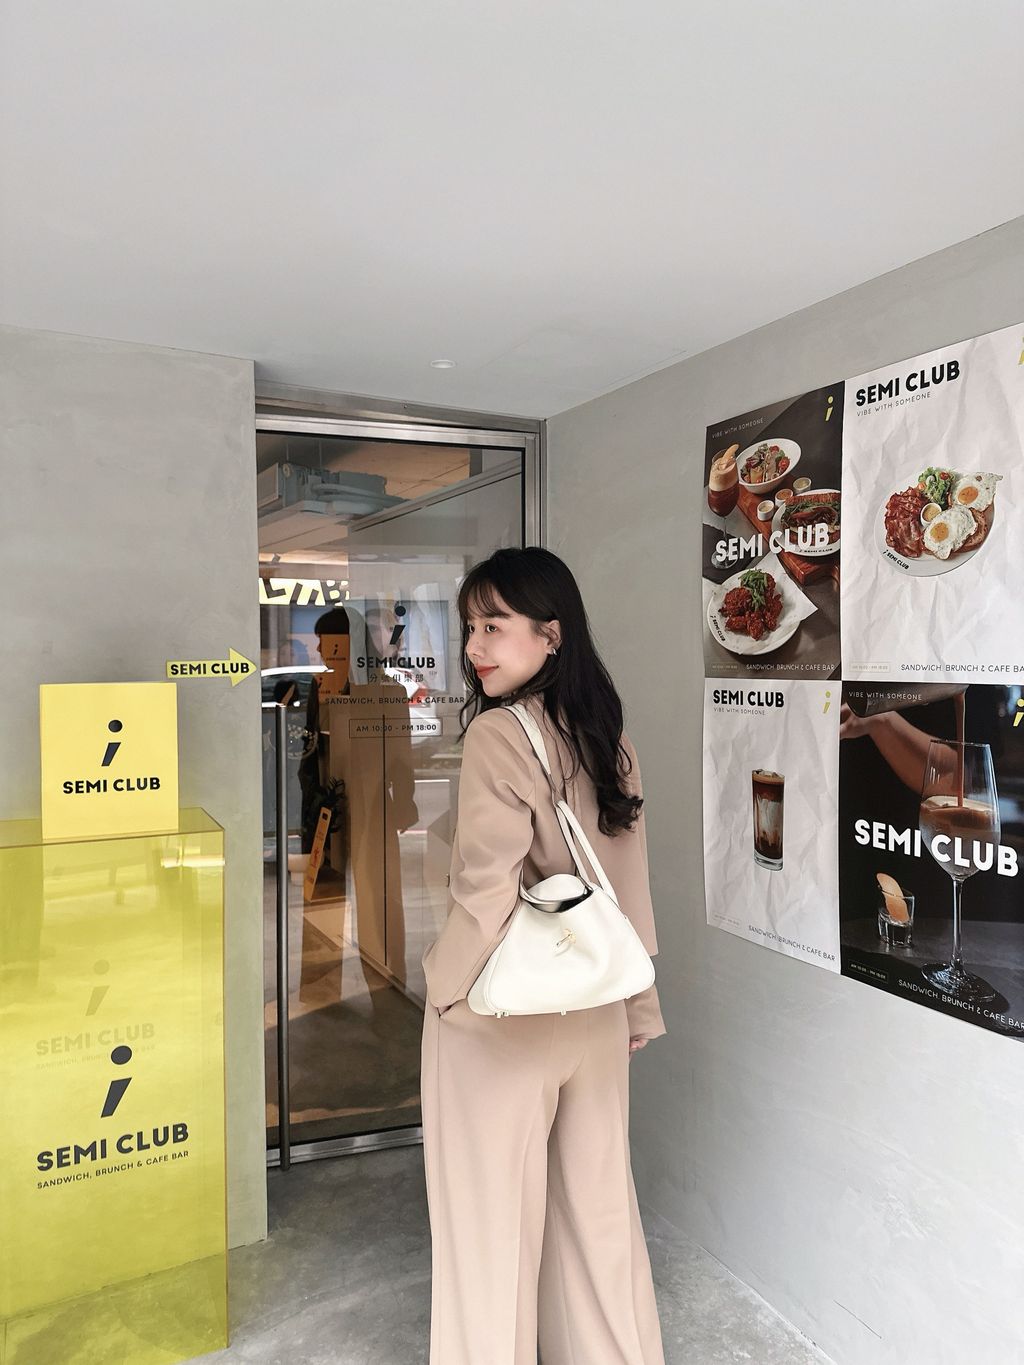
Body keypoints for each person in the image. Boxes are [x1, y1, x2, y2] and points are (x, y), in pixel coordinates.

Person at [420, 547, 666, 1365]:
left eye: (493, 625)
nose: (473, 647)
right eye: (469, 627)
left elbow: (484, 891)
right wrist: (639, 1005)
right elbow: (626, 884)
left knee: (489, 1233)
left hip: (502, 1014)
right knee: (598, 1217)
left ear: (551, 634)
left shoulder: (498, 735)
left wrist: (443, 989)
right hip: (597, 1009)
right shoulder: (608, 737)